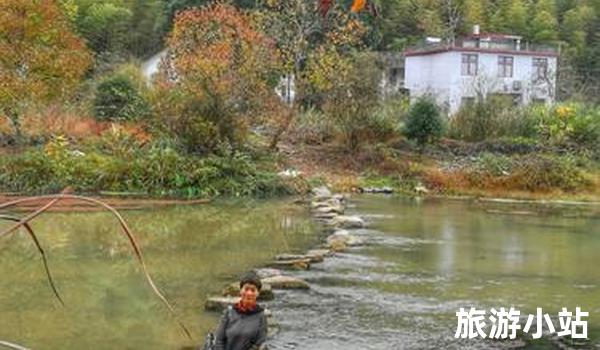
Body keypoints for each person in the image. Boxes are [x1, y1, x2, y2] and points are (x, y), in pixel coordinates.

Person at [214, 271, 268, 350]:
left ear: (258, 293)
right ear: (240, 291)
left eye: (253, 290)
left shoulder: (261, 316)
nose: (249, 293)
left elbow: (259, 343)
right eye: (246, 289)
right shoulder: (229, 313)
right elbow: (219, 340)